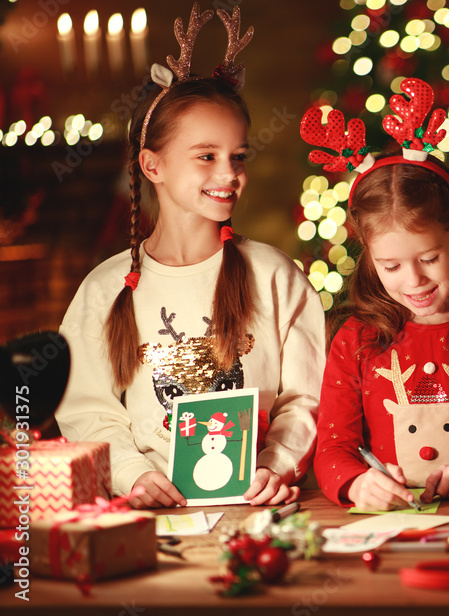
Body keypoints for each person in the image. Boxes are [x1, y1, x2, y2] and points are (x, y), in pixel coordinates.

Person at [56, 5, 324, 508]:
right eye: (206, 156)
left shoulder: (275, 275)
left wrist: (275, 464)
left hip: (262, 505)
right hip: (153, 513)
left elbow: (305, 397)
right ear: (152, 164)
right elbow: (86, 407)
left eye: (238, 156)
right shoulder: (105, 287)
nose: (229, 173)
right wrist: (133, 474)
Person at [309, 79, 449, 511]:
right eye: (391, 266)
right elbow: (333, 449)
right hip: (396, 523)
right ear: (369, 256)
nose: (414, 281)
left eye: (430, 258)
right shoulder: (356, 339)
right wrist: (356, 484)